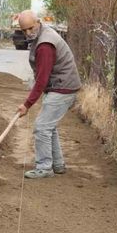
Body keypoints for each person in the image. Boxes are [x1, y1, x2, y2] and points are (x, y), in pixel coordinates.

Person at [14, 10, 82, 179]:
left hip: (62, 87)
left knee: (42, 127)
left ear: (38, 22)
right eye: (24, 30)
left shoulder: (45, 44)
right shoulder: (42, 34)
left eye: (30, 28)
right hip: (61, 85)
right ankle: (57, 165)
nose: (28, 33)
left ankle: (44, 168)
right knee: (48, 126)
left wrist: (27, 104)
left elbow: (42, 79)